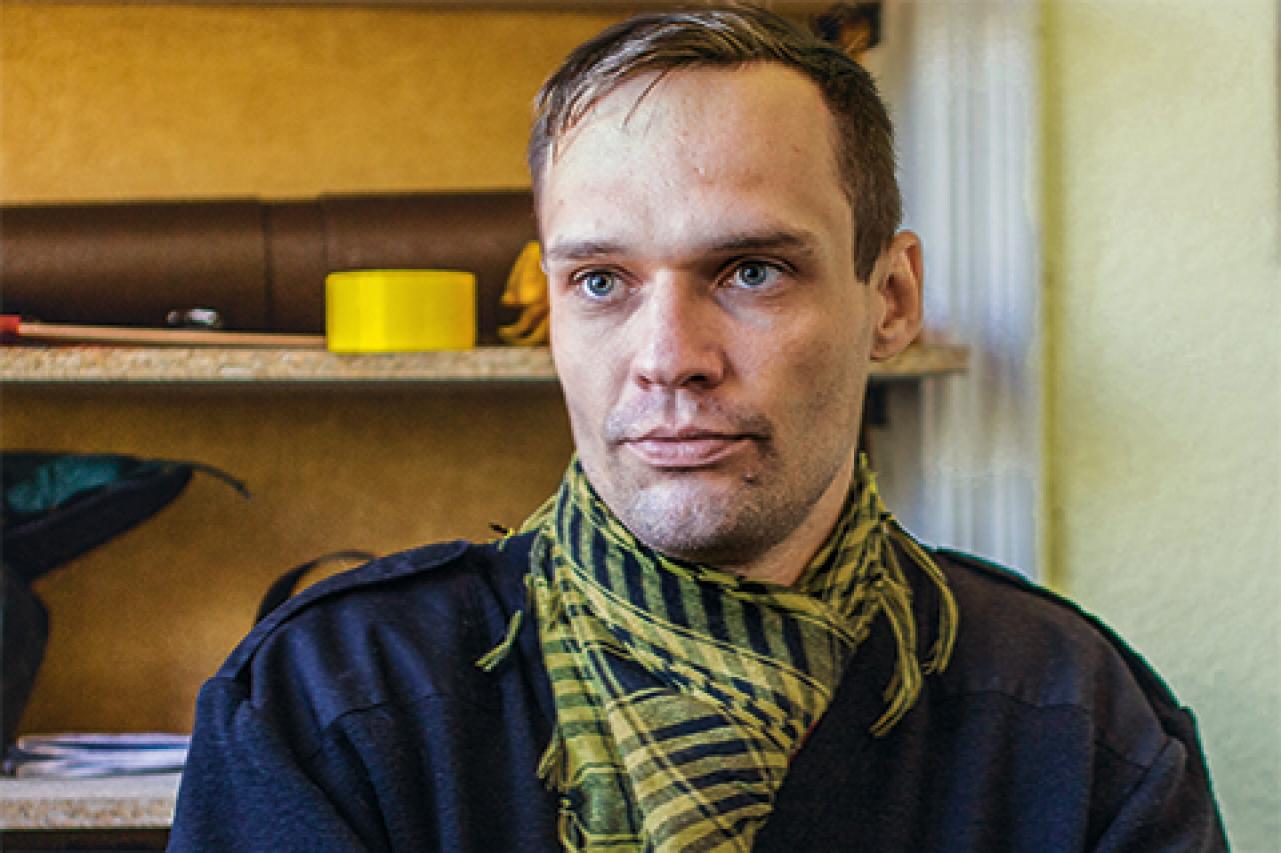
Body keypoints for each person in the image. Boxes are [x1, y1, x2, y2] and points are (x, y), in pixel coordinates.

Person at [170, 6, 1227, 850]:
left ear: (891, 298)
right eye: (601, 280)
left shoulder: (1076, 722)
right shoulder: (330, 706)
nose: (669, 354)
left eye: (752, 270)